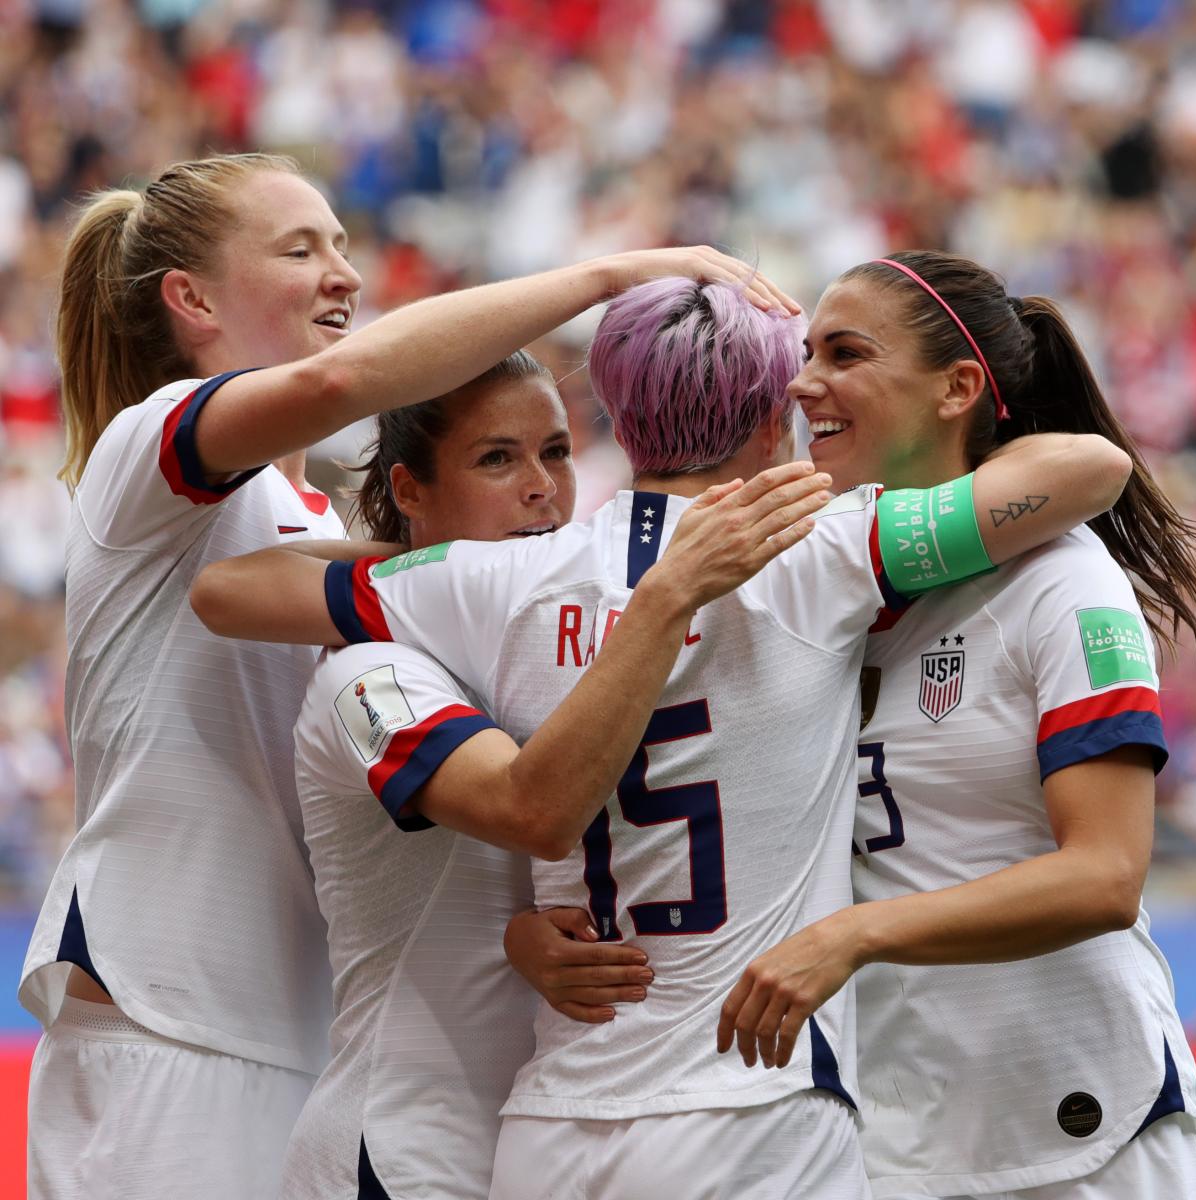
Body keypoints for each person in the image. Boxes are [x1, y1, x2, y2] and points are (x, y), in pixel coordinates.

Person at [191, 275, 1130, 1199]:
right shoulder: (827, 546)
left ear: (618, 416)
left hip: (552, 1119)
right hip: (748, 1106)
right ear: (768, 424)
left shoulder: (494, 582)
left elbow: (228, 590)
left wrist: (441, 563)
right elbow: (1090, 468)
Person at [19, 147, 797, 1200]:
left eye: (341, 244)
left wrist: (521, 934)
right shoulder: (145, 448)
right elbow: (341, 386)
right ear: (192, 299)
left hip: (297, 1025)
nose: (343, 272)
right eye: (300, 250)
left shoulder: (336, 544)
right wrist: (610, 277)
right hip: (169, 1016)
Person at [274, 349, 832, 1199]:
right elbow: (530, 810)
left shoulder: (562, 637)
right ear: (410, 490)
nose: (541, 487)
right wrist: (512, 941)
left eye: (558, 452)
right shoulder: (366, 673)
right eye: (497, 458)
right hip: (405, 1150)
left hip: (544, 1139)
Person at [705, 251, 1196, 1199]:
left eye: (846, 353)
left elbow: (1104, 874)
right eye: (806, 355)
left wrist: (854, 934)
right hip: (899, 1134)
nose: (805, 383)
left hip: (1087, 1128)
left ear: (958, 388)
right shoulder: (818, 586)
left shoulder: (1063, 580)